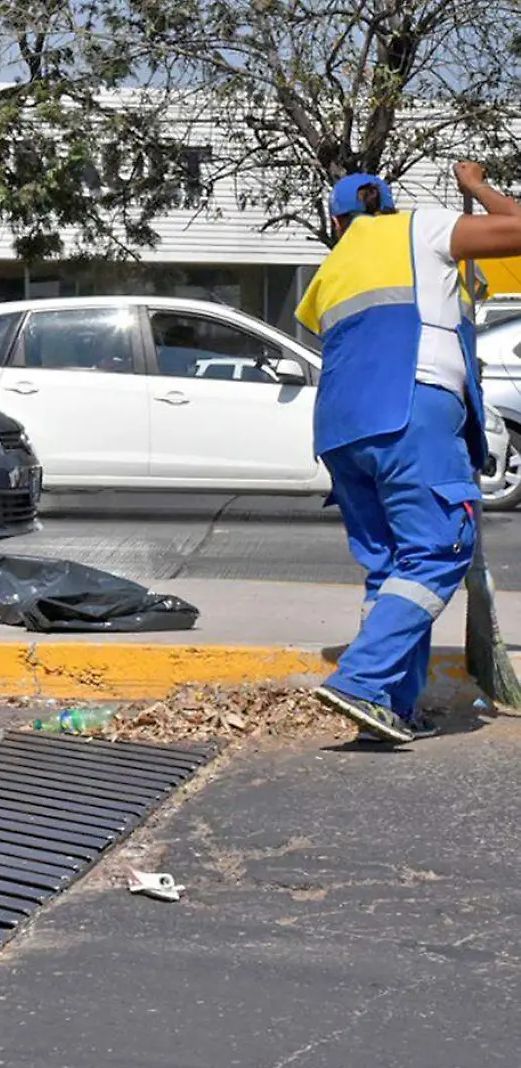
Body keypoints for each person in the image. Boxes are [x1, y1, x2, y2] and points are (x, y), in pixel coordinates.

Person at [296, 161, 521, 743]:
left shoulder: (332, 268)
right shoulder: (419, 230)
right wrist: (476, 189)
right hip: (410, 412)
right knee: (441, 547)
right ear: (387, 207)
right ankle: (362, 682)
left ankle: (390, 706)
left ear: (337, 220)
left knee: (392, 571)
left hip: (343, 432)